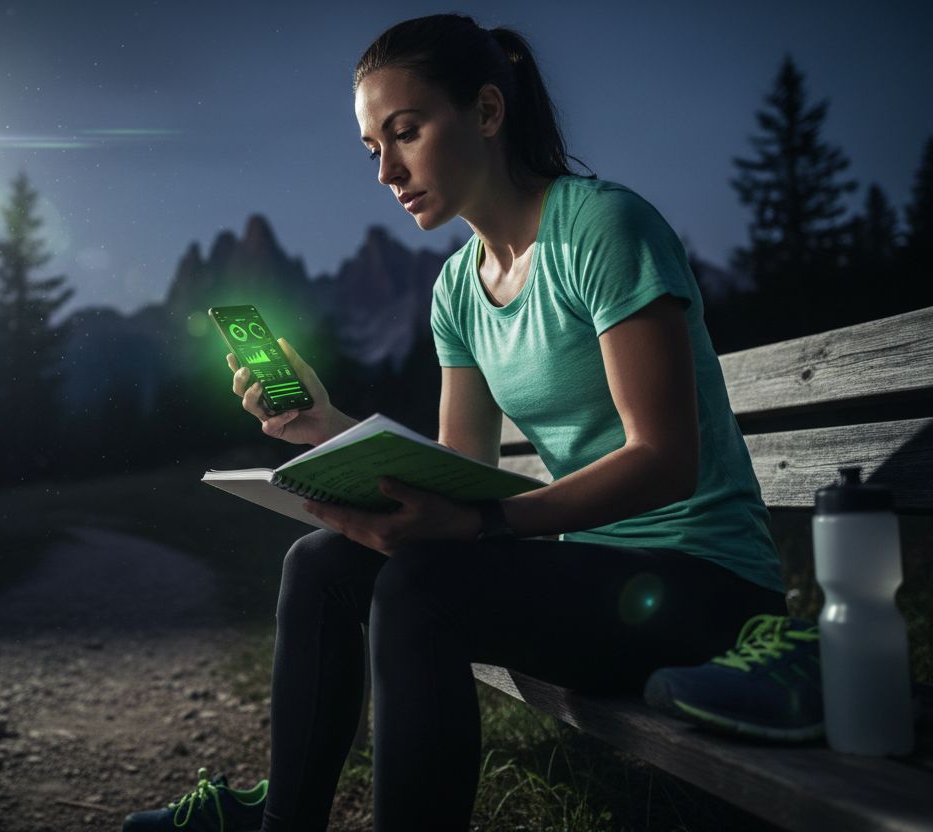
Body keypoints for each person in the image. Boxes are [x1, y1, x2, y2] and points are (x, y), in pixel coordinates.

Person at [123, 12, 787, 832]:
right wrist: (325, 427)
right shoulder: (457, 292)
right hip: (596, 584)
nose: (387, 172)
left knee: (421, 586)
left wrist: (488, 523)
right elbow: (458, 466)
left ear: (486, 111)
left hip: (706, 590)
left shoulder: (603, 227)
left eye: (405, 132)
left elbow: (666, 461)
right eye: (373, 149)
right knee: (319, 563)